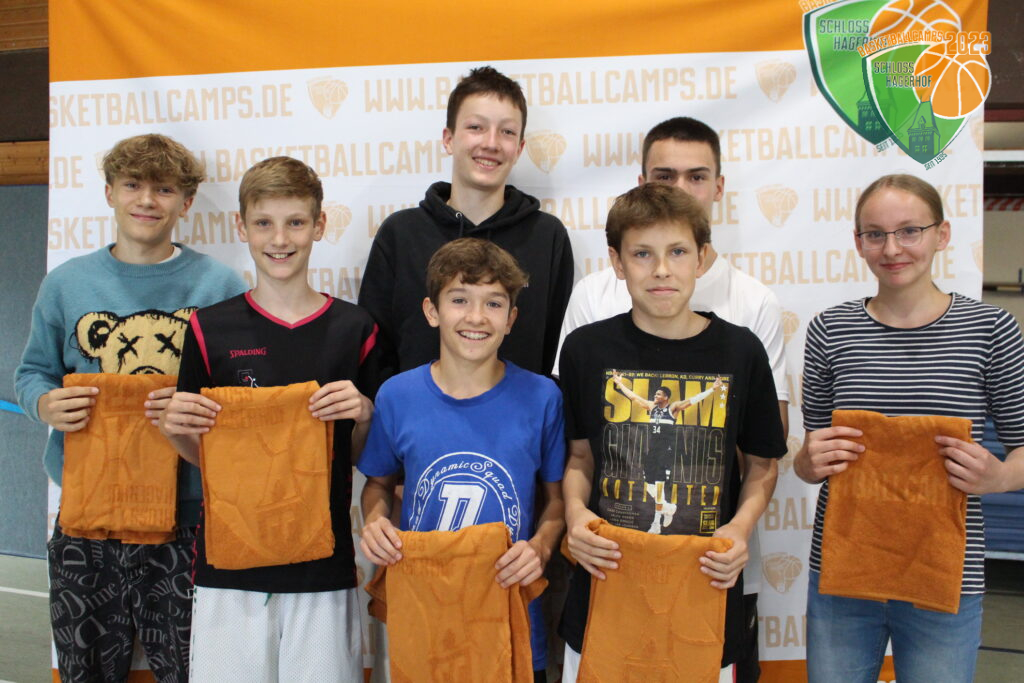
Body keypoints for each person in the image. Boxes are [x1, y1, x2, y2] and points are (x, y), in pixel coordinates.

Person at [555, 116, 788, 680]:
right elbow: (579, 456)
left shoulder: (741, 350)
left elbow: (763, 464)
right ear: (616, 262)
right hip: (608, 576)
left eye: (678, 252)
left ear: (702, 259)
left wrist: (740, 528)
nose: (661, 270)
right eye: (641, 254)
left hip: (704, 580)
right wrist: (576, 514)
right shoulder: (586, 348)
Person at [14, 133, 246, 682]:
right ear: (109, 193)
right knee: (86, 670)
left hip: (187, 513)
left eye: (163, 189)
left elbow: (239, 393)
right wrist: (44, 403)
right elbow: (32, 372)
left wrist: (197, 406)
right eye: (133, 185)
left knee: (191, 669)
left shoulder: (219, 286)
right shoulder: (67, 284)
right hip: (87, 513)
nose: (146, 200)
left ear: (186, 202)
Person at [794, 174, 1024, 683]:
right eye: (875, 234)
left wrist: (999, 477)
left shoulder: (990, 330)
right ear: (858, 243)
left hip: (945, 575)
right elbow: (813, 457)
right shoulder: (830, 330)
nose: (892, 248)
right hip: (843, 572)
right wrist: (807, 463)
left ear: (942, 234)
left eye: (909, 231)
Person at [158, 156, 380, 681]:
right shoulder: (209, 328)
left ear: (319, 225)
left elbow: (358, 458)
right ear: (242, 227)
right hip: (228, 568)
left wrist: (365, 416)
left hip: (323, 569)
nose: (280, 239)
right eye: (264, 223)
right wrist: (175, 431)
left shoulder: (355, 328)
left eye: (295, 222)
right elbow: (205, 456)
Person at [358, 237, 566, 681]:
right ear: (432, 311)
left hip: (510, 615)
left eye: (493, 303)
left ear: (511, 319)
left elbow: (557, 500)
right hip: (425, 617)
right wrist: (374, 522)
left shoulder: (543, 397)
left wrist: (541, 547)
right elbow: (377, 484)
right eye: (459, 299)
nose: (476, 317)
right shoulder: (397, 395)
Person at [358, 65, 574, 378]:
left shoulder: (546, 236)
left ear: (519, 149)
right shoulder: (401, 233)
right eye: (476, 127)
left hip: (519, 409)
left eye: (507, 131)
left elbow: (554, 349)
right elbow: (376, 351)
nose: (491, 143)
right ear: (448, 139)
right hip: (416, 409)